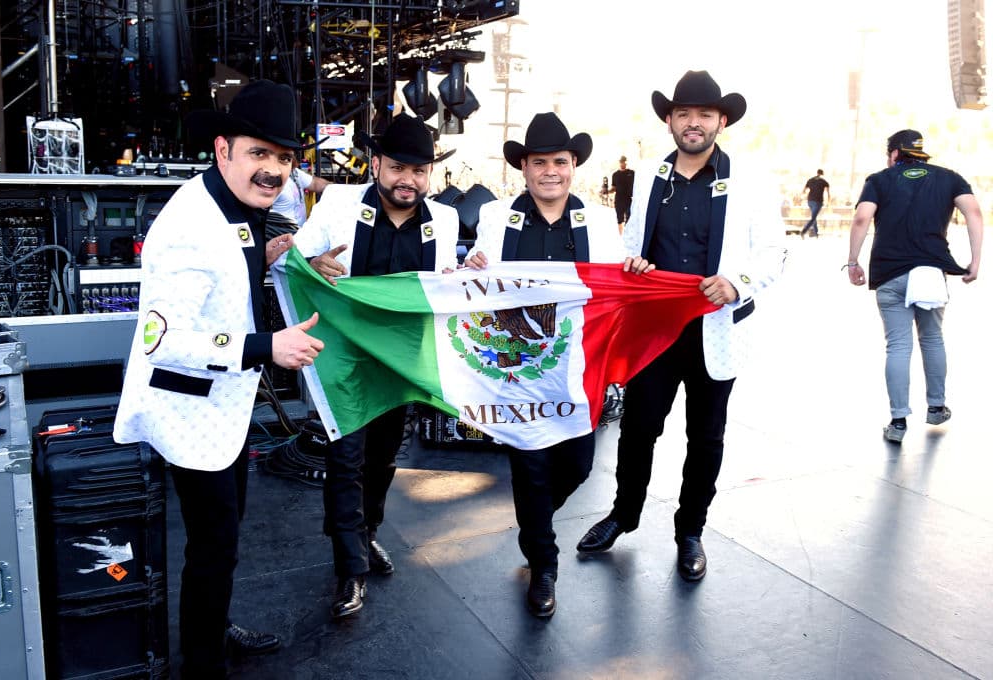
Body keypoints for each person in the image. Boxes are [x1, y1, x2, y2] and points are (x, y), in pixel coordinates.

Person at [113, 80, 325, 679]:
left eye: (284, 158)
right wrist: (267, 346)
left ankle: (212, 627)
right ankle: (202, 663)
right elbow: (163, 341)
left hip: (223, 409)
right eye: (259, 153)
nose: (274, 170)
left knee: (222, 542)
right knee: (213, 548)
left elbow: (230, 264)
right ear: (222, 149)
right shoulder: (188, 226)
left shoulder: (232, 207)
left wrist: (282, 255)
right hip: (191, 416)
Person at [576, 70, 786, 582]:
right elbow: (632, 246)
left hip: (717, 329)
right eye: (684, 114)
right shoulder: (650, 175)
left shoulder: (751, 179)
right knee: (639, 429)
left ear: (721, 121)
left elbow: (774, 251)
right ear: (670, 120)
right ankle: (623, 515)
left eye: (704, 114)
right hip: (656, 329)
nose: (694, 123)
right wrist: (635, 265)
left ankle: (690, 531)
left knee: (706, 437)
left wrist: (737, 282)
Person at [464, 112, 651, 618]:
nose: (551, 171)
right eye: (539, 162)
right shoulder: (499, 218)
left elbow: (616, 286)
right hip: (519, 369)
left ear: (574, 167)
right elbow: (478, 279)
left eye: (560, 162)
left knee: (578, 464)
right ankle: (543, 564)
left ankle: (534, 522)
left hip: (578, 371)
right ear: (523, 169)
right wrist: (470, 268)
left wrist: (634, 272)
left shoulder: (596, 220)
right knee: (530, 467)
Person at [288, 113, 459, 618]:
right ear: (377, 164)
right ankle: (349, 569)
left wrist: (471, 269)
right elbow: (291, 257)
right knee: (345, 460)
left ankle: (367, 533)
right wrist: (313, 263)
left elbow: (447, 284)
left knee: (384, 459)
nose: (409, 179)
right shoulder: (341, 205)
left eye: (420, 170)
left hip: (403, 360)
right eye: (399, 167)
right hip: (345, 358)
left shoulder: (444, 220)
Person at [845, 129, 982, 443]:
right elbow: (973, 211)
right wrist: (975, 260)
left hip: (890, 273)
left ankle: (897, 423)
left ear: (894, 153)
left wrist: (853, 261)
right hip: (930, 272)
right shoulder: (949, 178)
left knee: (898, 346)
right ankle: (936, 407)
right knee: (932, 339)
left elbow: (862, 218)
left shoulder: (879, 180)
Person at [269, 159, 330, 237]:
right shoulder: (272, 181)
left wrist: (339, 188)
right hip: (282, 238)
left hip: (299, 235)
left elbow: (315, 183)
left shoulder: (294, 172)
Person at [800, 168, 830, 238]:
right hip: (818, 201)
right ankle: (803, 231)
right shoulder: (824, 181)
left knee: (814, 216)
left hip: (810, 201)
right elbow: (828, 193)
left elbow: (804, 190)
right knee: (813, 218)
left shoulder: (810, 180)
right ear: (822, 174)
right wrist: (828, 202)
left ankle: (816, 233)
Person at [610, 155, 636, 231]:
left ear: (627, 162)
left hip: (629, 199)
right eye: (621, 162)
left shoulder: (632, 173)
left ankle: (628, 234)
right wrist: (606, 191)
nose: (623, 163)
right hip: (619, 200)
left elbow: (637, 186)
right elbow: (613, 188)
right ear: (619, 163)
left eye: (624, 161)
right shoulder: (615, 175)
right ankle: (621, 236)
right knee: (619, 219)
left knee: (630, 218)